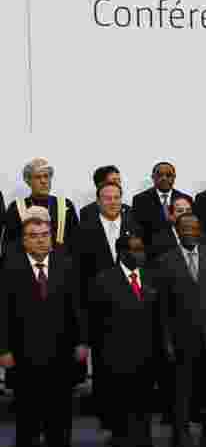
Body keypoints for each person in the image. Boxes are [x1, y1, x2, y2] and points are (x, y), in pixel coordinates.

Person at [0, 207, 88, 447]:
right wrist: (3, 350)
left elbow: (79, 308)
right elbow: (2, 311)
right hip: (23, 354)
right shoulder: (9, 266)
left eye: (44, 235)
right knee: (27, 413)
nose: (40, 240)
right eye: (33, 236)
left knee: (60, 413)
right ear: (24, 240)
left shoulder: (66, 263)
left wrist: (83, 342)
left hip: (61, 352)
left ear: (51, 236)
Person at [157, 213, 206, 447]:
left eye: (194, 227)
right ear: (177, 231)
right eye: (185, 227)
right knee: (182, 398)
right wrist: (166, 340)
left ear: (200, 230)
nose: (190, 231)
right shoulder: (165, 260)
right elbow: (163, 307)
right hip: (180, 341)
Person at [88, 234, 159, 447]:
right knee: (122, 407)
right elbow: (96, 323)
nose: (140, 253)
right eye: (135, 249)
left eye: (142, 249)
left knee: (143, 406)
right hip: (116, 356)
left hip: (147, 355)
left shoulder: (151, 276)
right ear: (121, 252)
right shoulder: (103, 279)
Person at [74, 181, 138, 428]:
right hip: (99, 306)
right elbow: (80, 272)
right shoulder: (85, 229)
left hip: (131, 304)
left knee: (131, 361)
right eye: (107, 198)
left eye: (116, 197)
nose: (112, 202)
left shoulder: (134, 225)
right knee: (104, 362)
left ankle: (131, 415)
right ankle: (108, 416)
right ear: (99, 201)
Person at [4, 158, 80, 257]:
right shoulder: (16, 207)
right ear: (28, 181)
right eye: (38, 177)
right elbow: (9, 245)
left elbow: (77, 242)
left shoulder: (66, 205)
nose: (43, 181)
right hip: (27, 266)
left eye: (46, 176)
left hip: (62, 266)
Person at [131, 161, 190, 252]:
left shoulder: (186, 199)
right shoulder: (140, 200)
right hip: (152, 252)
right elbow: (138, 231)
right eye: (159, 175)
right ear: (153, 177)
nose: (164, 178)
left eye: (169, 175)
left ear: (174, 177)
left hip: (181, 253)